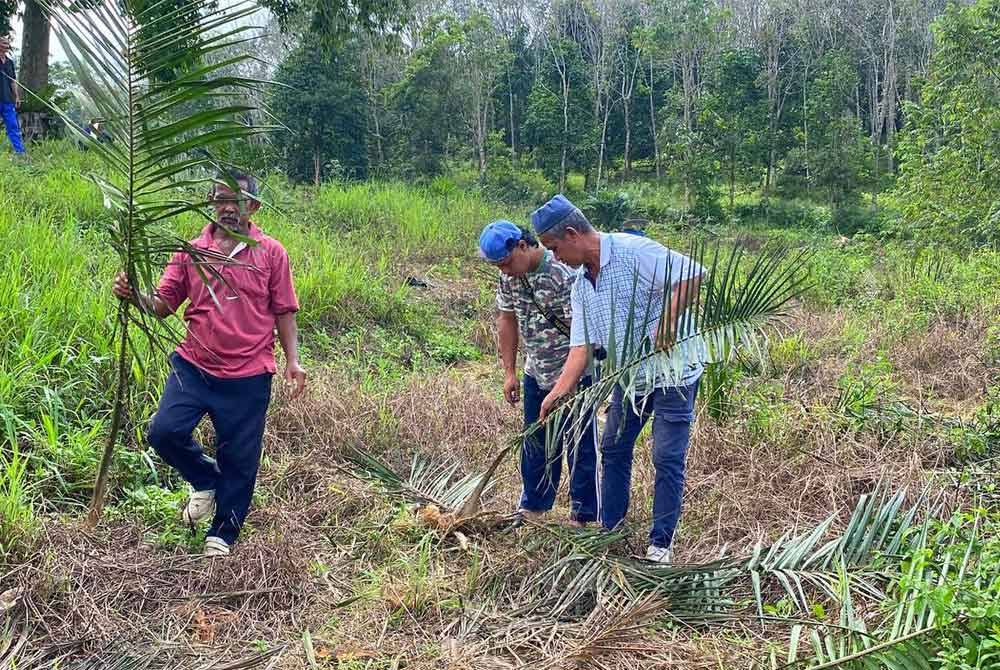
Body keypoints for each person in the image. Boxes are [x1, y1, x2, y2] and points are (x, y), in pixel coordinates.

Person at [112, 172, 306, 556]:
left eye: (236, 200)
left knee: (239, 456)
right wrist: (135, 295)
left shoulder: (271, 253)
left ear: (254, 206)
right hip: (194, 365)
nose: (227, 207)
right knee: (163, 432)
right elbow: (164, 304)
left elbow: (284, 311)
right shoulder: (191, 250)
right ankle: (205, 478)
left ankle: (223, 534)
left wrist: (293, 361)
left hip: (248, 373)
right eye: (219, 199)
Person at [533, 195, 703, 563]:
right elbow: (581, 348)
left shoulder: (634, 251)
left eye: (555, 248)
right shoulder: (580, 286)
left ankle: (660, 546)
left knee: (666, 456)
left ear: (574, 234)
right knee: (613, 449)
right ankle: (611, 531)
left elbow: (692, 273)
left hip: (674, 373)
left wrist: (668, 322)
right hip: (630, 379)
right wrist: (557, 393)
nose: (555, 257)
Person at [479, 220, 598, 526]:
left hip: (575, 376)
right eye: (497, 267)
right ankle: (534, 506)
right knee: (536, 441)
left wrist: (566, 385)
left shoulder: (563, 273)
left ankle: (583, 515)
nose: (504, 271)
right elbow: (506, 320)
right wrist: (509, 371)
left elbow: (585, 335)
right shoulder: (509, 278)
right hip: (537, 373)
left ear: (523, 245)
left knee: (579, 444)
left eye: (506, 263)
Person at [0, 37, 25, 155]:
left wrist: (16, 97)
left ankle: (20, 153)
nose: (6, 46)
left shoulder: (9, 62)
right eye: (4, 43)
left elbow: (13, 81)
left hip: (7, 100)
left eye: (7, 44)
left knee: (13, 126)